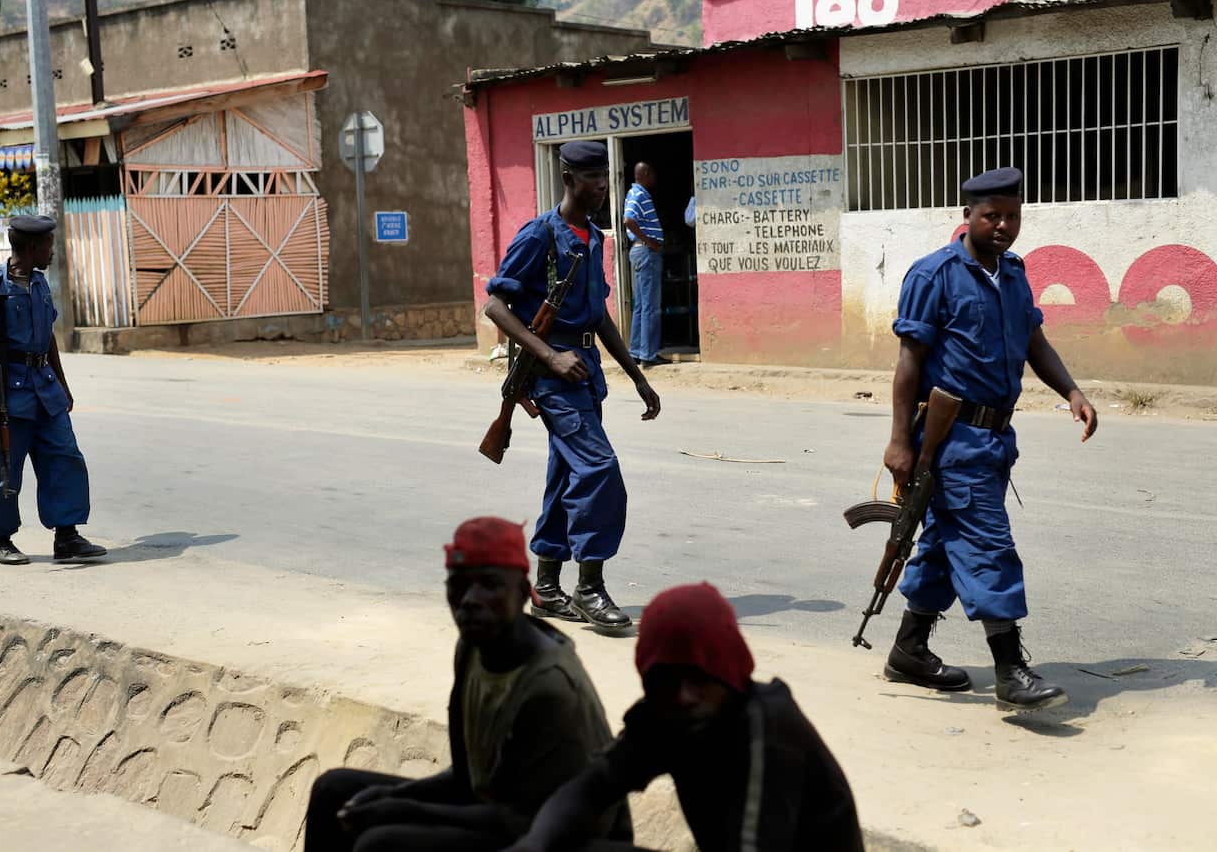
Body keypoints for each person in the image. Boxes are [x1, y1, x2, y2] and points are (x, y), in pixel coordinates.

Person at [882, 167, 1098, 711]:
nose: (1003, 225)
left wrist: (1071, 391)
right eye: (991, 216)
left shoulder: (1015, 274)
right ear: (967, 216)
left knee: (943, 544)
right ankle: (1010, 670)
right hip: (950, 439)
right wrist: (899, 442)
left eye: (1012, 216)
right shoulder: (933, 275)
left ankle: (909, 649)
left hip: (996, 439)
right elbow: (909, 365)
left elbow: (1034, 342)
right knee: (987, 545)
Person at [304, 517, 633, 852]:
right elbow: (466, 778)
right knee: (335, 789)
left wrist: (406, 808)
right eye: (459, 584)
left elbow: (528, 823)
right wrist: (395, 795)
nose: (470, 600)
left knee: (381, 843)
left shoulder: (548, 687)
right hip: (507, 813)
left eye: (489, 585)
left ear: (523, 593)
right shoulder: (473, 646)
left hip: (561, 838)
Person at [506, 582, 863, 852]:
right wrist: (534, 845)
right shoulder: (665, 715)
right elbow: (589, 789)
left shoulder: (766, 728)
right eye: (666, 681)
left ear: (728, 671)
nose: (685, 695)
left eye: (699, 679)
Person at [483, 141, 660, 634]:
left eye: (605, 177)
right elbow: (495, 306)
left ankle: (545, 587)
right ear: (568, 179)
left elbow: (598, 315)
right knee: (599, 469)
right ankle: (589, 587)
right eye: (592, 178)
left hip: (585, 373)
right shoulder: (540, 234)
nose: (601, 186)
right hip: (552, 377)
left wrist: (638, 376)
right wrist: (550, 356)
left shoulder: (594, 238)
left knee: (566, 476)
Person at [0, 215, 105, 565]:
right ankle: (0, 540)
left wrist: (63, 384)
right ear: (33, 247)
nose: (52, 251)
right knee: (1, 466)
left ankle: (67, 537)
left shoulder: (39, 283)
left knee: (64, 457)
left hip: (45, 390)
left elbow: (48, 336)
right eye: (49, 245)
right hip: (7, 394)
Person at [623, 161, 667, 367]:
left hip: (641, 251)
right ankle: (649, 355)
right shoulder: (639, 194)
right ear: (646, 173)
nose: (655, 179)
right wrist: (649, 241)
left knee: (641, 306)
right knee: (650, 306)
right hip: (646, 252)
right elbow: (628, 220)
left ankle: (636, 352)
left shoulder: (634, 193)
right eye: (653, 174)